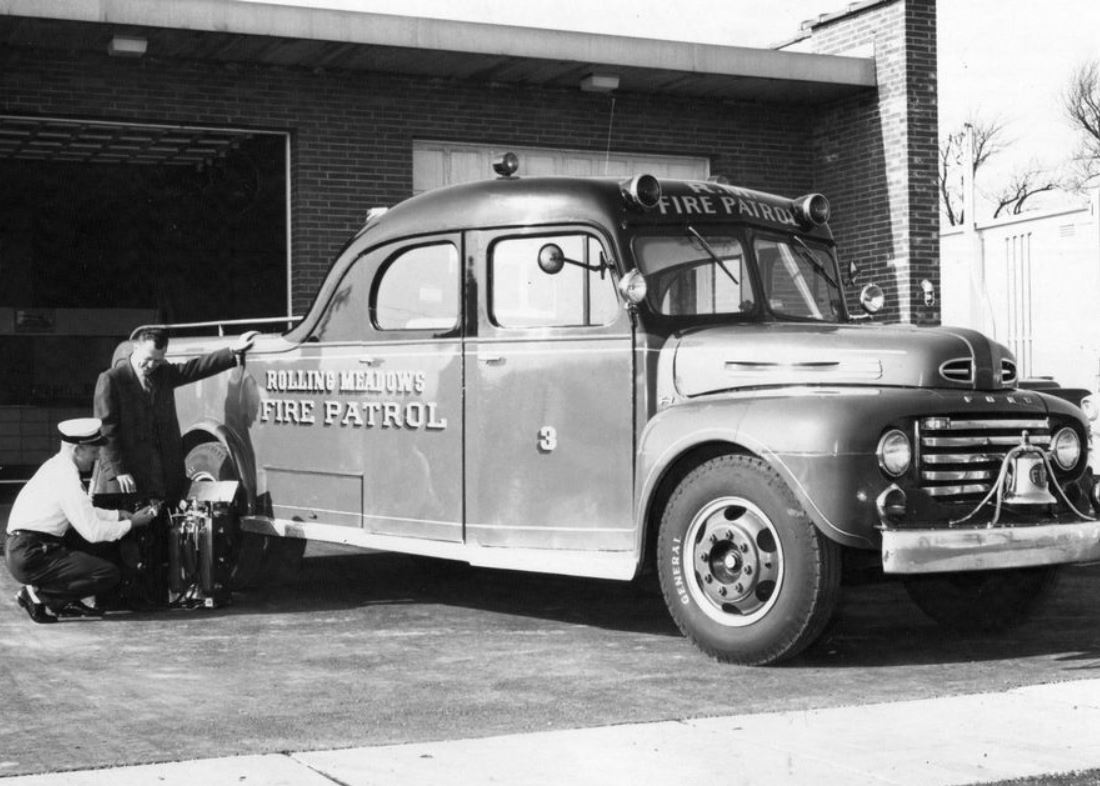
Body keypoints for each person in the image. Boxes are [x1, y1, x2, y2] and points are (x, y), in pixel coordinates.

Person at [92, 327, 257, 606]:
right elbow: (106, 430)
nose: (151, 365)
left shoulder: (164, 374)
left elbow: (195, 369)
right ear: (135, 348)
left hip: (162, 474)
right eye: (147, 359)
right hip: (127, 477)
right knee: (127, 542)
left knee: (157, 539)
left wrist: (233, 351)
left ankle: (155, 599)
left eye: (158, 360)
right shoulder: (111, 380)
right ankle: (121, 599)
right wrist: (119, 470)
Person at [5, 418, 158, 623]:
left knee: (99, 547)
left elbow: (82, 510)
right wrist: (132, 523)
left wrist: (118, 515)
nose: (95, 459)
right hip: (32, 554)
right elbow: (92, 532)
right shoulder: (66, 477)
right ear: (78, 450)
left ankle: (60, 601)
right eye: (93, 452)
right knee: (106, 574)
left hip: (26, 548)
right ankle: (38, 596)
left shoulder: (56, 466)